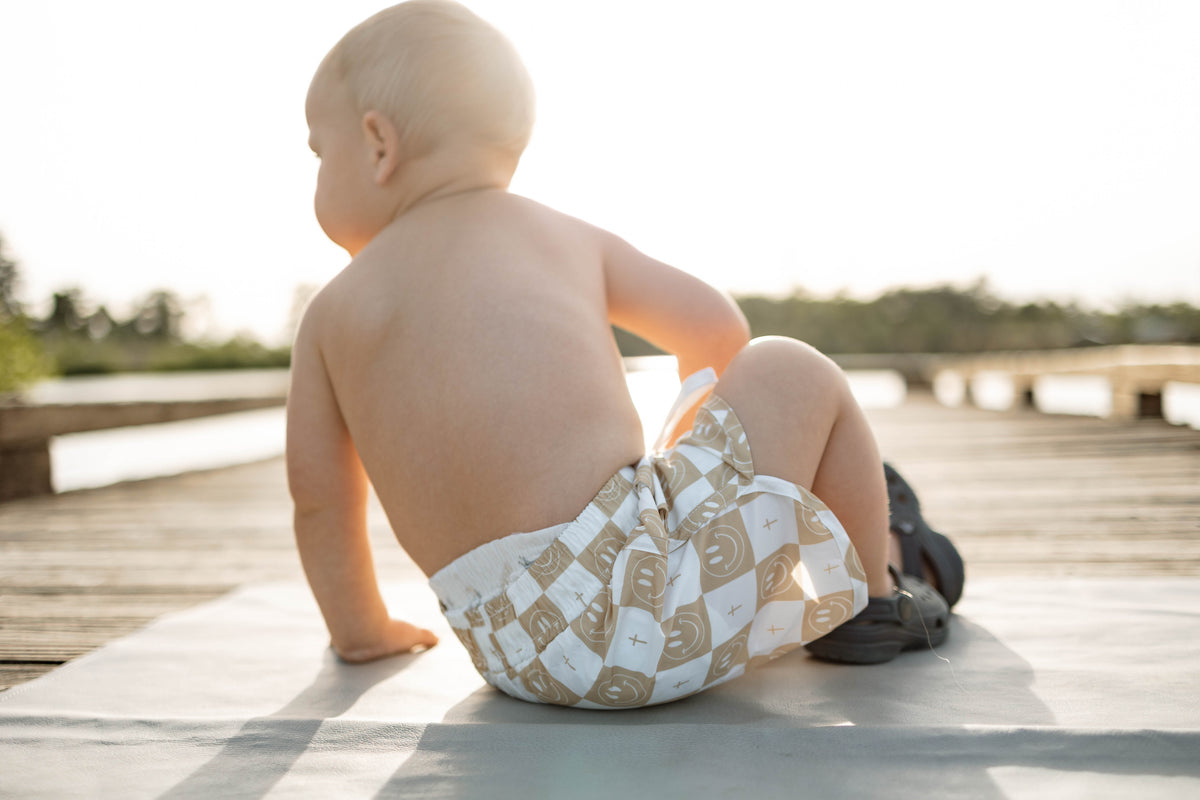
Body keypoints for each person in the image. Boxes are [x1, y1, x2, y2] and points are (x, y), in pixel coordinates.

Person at [287, 0, 963, 709]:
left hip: (513, 657)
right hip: (651, 620)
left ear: (376, 144)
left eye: (315, 152)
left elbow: (322, 502)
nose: (316, 170)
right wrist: (693, 475)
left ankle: (860, 558)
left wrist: (360, 631)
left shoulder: (330, 315)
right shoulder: (554, 237)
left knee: (733, 443)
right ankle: (875, 599)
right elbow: (713, 327)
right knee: (794, 367)